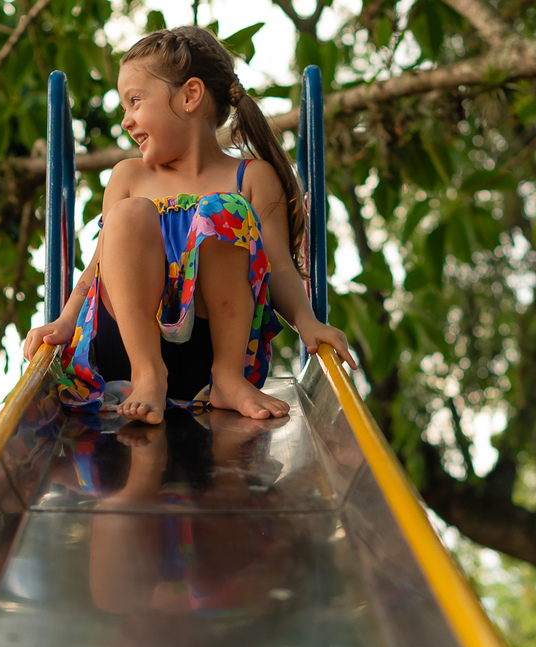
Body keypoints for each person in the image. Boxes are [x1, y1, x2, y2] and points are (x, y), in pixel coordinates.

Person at [22, 25, 358, 424]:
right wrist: (63, 320)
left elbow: (280, 266)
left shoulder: (251, 177)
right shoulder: (129, 176)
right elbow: (98, 267)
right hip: (126, 350)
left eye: (135, 101)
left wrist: (308, 322)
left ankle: (228, 379)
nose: (127, 121)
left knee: (223, 212)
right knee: (128, 216)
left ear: (190, 95)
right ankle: (150, 373)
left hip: (209, 350)